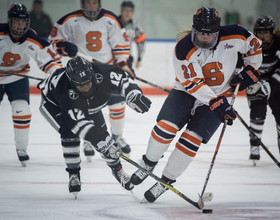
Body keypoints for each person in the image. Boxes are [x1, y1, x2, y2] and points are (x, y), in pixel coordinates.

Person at [129, 7, 262, 203]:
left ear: (217, 31)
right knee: (164, 129)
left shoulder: (236, 34)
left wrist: (251, 69)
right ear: (194, 29)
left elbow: (255, 46)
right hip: (186, 92)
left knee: (192, 140)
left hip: (220, 95)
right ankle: (148, 163)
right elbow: (193, 84)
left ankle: (166, 181)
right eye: (201, 33)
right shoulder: (183, 48)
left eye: (209, 34)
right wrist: (217, 103)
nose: (205, 38)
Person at [38, 56, 151, 197]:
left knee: (104, 136)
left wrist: (133, 95)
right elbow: (78, 124)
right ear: (72, 82)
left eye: (87, 82)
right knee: (69, 132)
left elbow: (122, 78)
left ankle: (118, 171)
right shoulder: (66, 92)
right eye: (80, 84)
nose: (85, 87)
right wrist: (100, 141)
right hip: (54, 104)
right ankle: (73, 173)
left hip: (86, 104)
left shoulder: (102, 72)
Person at [48, 0, 136, 161]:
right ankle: (89, 140)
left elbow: (121, 46)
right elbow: (51, 43)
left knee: (117, 104)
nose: (91, 6)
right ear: (82, 4)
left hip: (106, 71)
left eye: (94, 2)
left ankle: (117, 136)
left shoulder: (111, 20)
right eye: (88, 3)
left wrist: (123, 65)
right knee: (88, 109)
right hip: (80, 75)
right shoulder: (68, 20)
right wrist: (64, 46)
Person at [0, 3, 63, 167]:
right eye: (16, 22)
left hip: (17, 78)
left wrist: (57, 74)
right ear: (9, 21)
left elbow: (47, 60)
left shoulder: (32, 38)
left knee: (22, 111)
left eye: (22, 22)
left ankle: (21, 149)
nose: (20, 26)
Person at [245, 15, 280, 163]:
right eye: (260, 33)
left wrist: (270, 85)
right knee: (257, 112)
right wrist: (249, 82)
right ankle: (255, 146)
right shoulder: (249, 44)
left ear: (272, 33)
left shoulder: (279, 44)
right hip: (257, 83)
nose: (263, 36)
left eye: (266, 33)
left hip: (277, 86)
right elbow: (243, 66)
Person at [119, 1, 146, 68]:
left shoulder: (135, 26)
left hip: (127, 58)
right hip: (112, 57)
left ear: (132, 12)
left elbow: (141, 42)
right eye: (125, 10)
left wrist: (139, 59)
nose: (127, 13)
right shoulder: (114, 23)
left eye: (130, 11)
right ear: (121, 11)